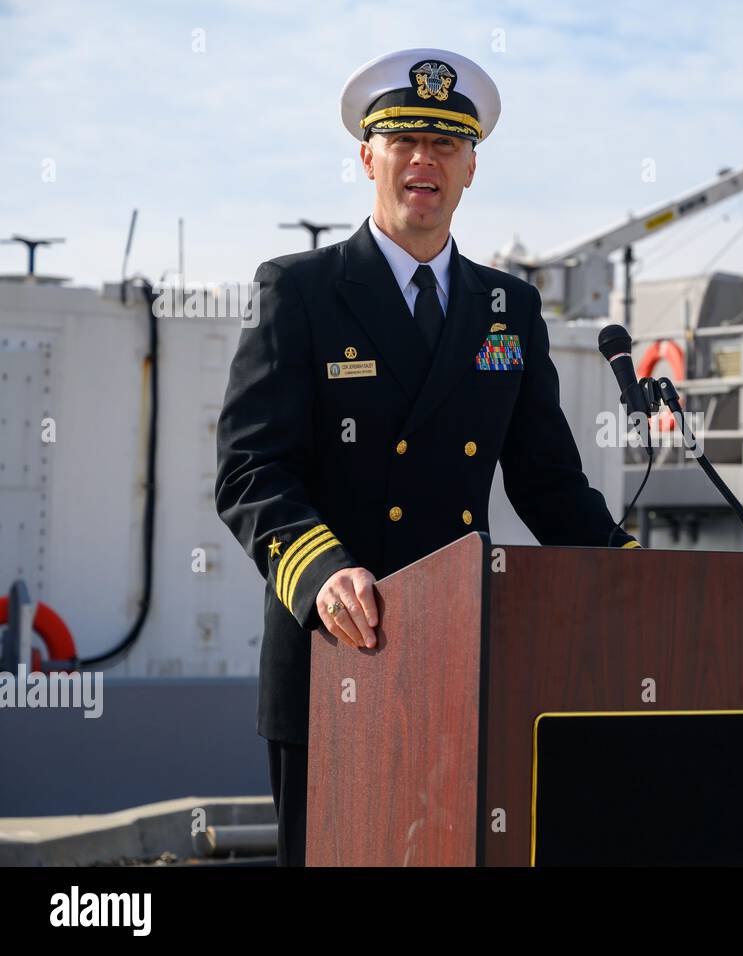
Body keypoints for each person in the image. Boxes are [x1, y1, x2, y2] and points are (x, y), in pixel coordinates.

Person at [215, 47, 640, 866]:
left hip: (459, 656)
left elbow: (548, 481)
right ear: (366, 157)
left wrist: (626, 568)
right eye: (404, 139)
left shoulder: (508, 307)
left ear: (472, 166)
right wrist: (320, 571)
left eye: (446, 144)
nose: (424, 160)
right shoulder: (300, 291)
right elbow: (250, 468)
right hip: (336, 651)